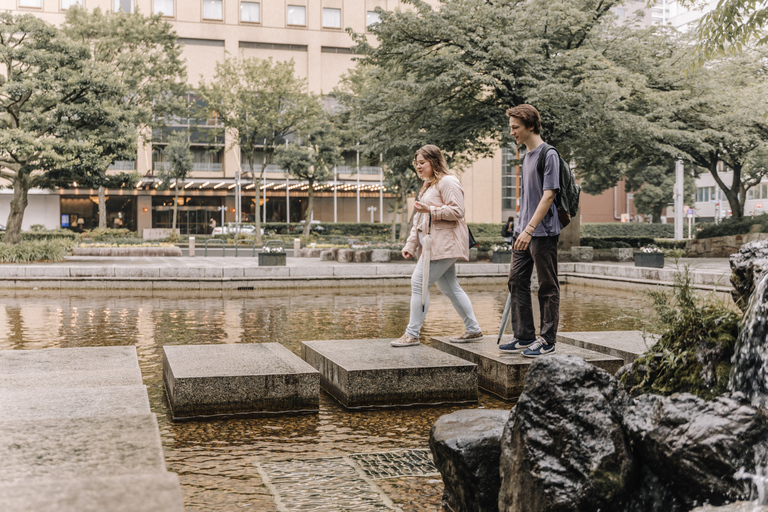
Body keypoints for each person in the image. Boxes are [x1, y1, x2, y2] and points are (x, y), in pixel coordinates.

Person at [392, 145, 483, 347]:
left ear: (434, 161)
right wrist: (411, 244)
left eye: (422, 162)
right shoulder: (429, 185)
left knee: (418, 283)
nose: (418, 166)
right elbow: (419, 219)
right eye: (416, 163)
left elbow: (458, 211)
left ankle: (412, 334)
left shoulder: (448, 181)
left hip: (445, 245)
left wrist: (430, 209)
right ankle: (473, 330)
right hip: (438, 245)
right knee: (450, 287)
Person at [499, 104, 560, 357]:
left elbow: (548, 196)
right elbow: (527, 198)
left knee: (547, 286)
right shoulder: (526, 156)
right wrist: (519, 228)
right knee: (516, 281)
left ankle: (547, 340)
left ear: (531, 126)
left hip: (542, 232)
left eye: (515, 127)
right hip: (522, 231)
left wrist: (530, 228)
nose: (511, 131)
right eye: (510, 127)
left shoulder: (549, 154)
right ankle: (524, 336)